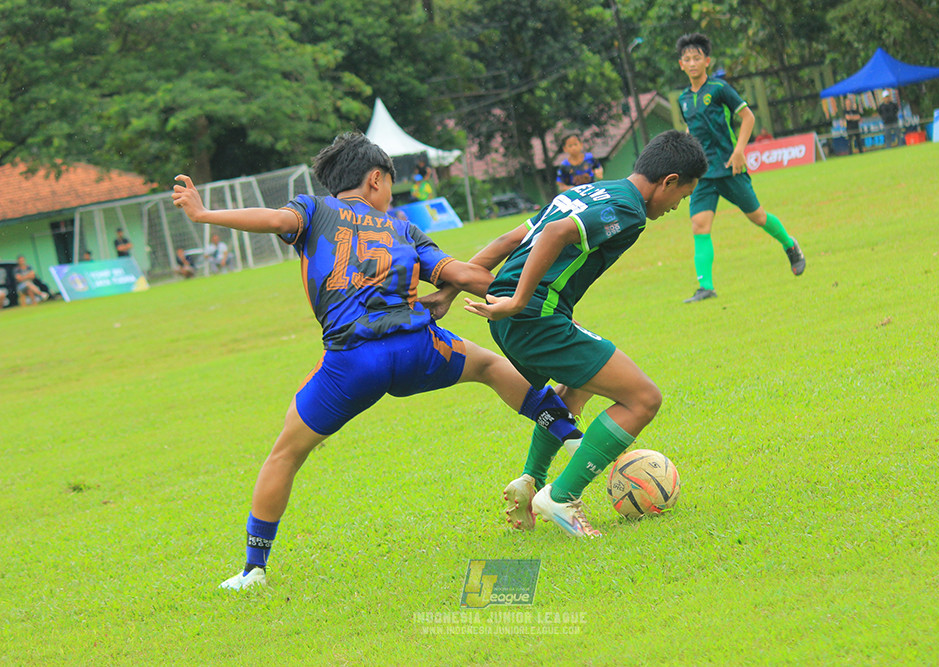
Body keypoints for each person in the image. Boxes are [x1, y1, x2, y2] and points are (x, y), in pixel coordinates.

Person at [171, 132, 583, 588]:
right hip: (419, 349)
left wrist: (204, 213)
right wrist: (524, 294)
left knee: (284, 455)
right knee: (490, 367)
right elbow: (466, 275)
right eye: (389, 181)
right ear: (375, 179)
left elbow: (271, 219)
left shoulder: (312, 210)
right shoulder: (403, 227)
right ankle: (572, 442)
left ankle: (253, 569)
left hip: (352, 364)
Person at [423, 130, 706, 538]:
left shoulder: (588, 190)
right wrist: (520, 300)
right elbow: (555, 236)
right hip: (533, 315)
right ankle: (562, 497)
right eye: (682, 195)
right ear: (669, 181)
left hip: (514, 318)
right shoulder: (627, 209)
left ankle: (530, 481)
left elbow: (511, 239)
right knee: (643, 399)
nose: (678, 205)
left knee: (578, 388)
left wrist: (449, 291)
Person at [674, 33, 805, 303]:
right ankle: (705, 287)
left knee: (757, 217)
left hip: (729, 166)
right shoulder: (684, 99)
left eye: (697, 58)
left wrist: (738, 152)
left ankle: (790, 245)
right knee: (699, 225)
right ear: (681, 65)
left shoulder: (720, 89)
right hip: (702, 173)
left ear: (707, 61)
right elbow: (691, 127)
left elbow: (747, 117)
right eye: (687, 59)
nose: (692, 63)